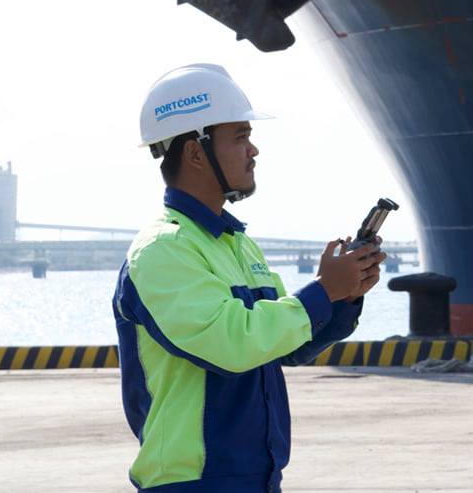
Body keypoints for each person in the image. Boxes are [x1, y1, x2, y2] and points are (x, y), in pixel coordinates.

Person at [114, 62, 385, 492]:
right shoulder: (162, 250)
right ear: (196, 153)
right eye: (240, 136)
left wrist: (343, 296)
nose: (253, 150)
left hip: (258, 478)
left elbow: (283, 345)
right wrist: (322, 291)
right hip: (192, 483)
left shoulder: (237, 245)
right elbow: (232, 344)